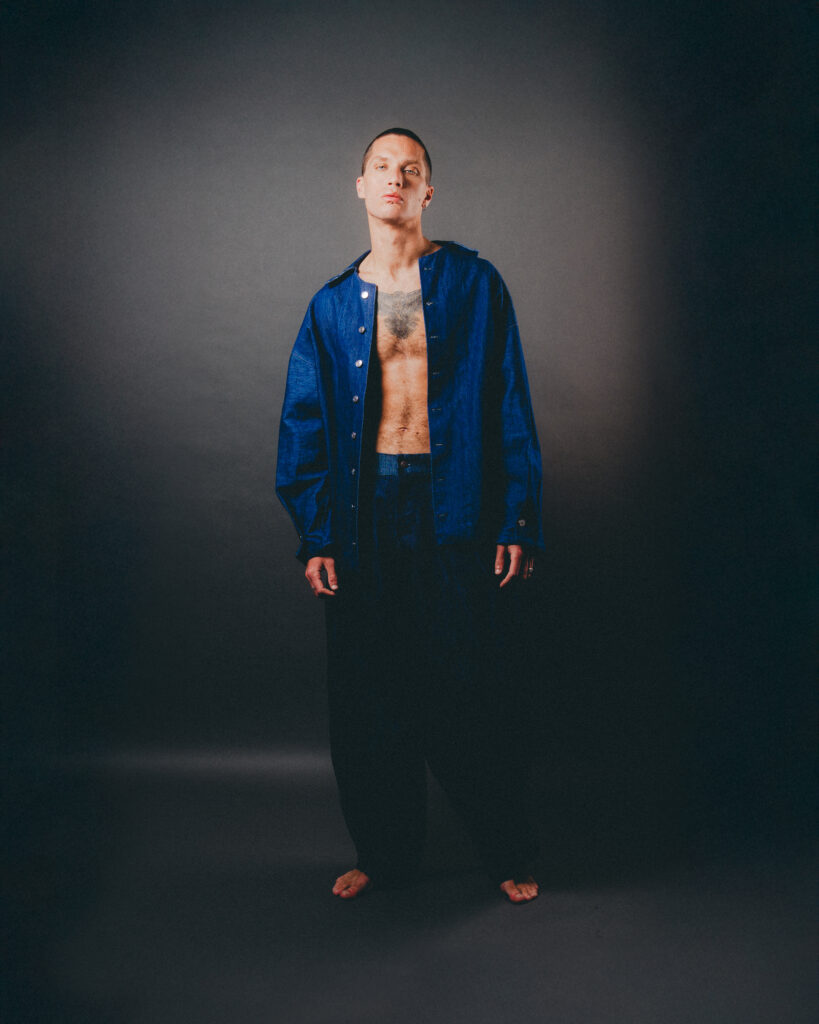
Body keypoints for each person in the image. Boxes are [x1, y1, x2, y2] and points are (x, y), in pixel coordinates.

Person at [276, 128, 544, 903]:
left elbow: (509, 400)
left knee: (469, 683)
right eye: (381, 167)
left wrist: (517, 517)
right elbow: (303, 424)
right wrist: (316, 533)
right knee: (367, 693)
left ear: (428, 190)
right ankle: (385, 853)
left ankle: (505, 849)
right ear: (360, 185)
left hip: (453, 503)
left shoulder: (475, 284)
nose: (395, 177)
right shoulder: (331, 306)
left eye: (411, 169)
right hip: (364, 515)